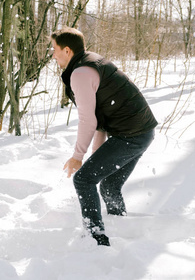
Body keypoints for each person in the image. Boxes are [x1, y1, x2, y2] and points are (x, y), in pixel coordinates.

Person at [51, 27, 157, 246]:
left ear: (67, 51)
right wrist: (95, 154)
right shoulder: (91, 62)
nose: (53, 55)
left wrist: (78, 156)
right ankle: (120, 225)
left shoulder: (80, 74)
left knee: (83, 179)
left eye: (55, 49)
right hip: (143, 131)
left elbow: (88, 120)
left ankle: (95, 237)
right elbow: (101, 117)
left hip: (130, 135)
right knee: (109, 185)